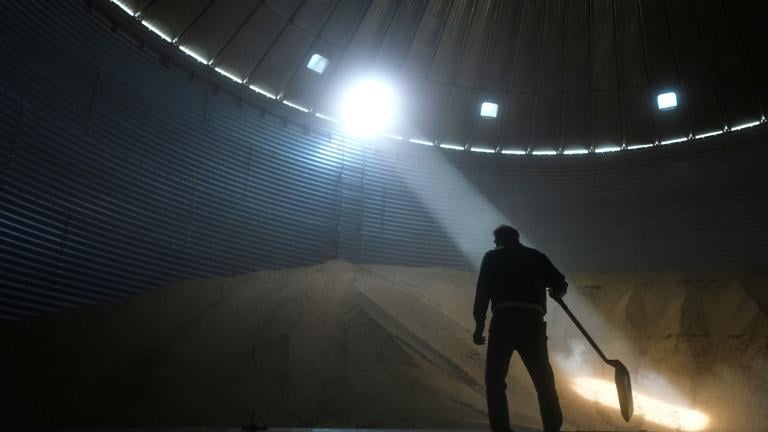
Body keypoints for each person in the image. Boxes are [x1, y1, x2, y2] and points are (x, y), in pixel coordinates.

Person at [472, 225, 567, 432]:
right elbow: (560, 283)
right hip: (532, 323)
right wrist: (556, 291)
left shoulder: (492, 258)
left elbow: (482, 292)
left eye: (496, 241)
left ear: (499, 241)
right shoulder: (536, 257)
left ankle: (501, 429)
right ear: (517, 238)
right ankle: (552, 428)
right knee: (544, 382)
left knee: (495, 382)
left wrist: (479, 325)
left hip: (504, 322)